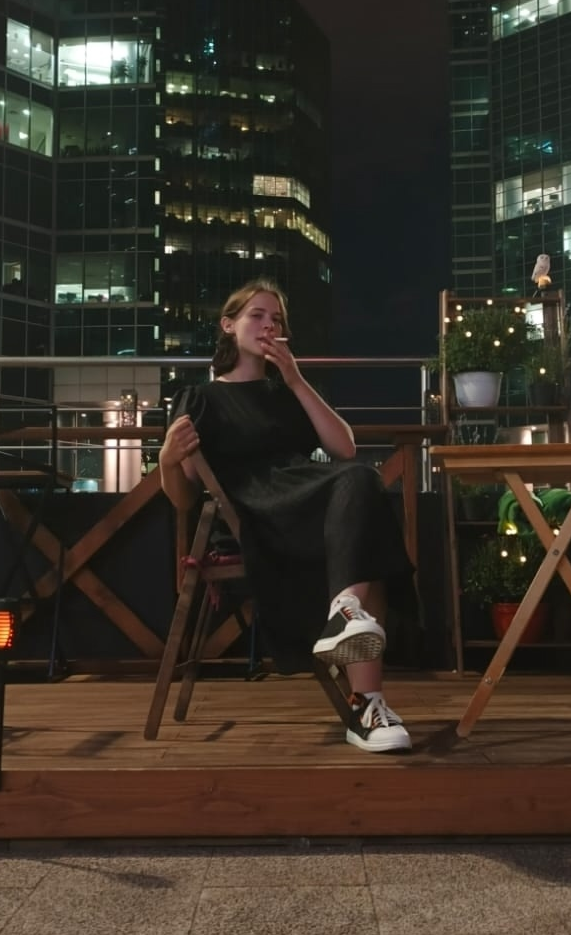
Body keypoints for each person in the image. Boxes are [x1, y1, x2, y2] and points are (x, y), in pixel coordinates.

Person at [158, 281, 417, 752]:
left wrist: (296, 379)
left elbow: (344, 448)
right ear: (228, 325)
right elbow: (183, 498)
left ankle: (350, 628)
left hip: (308, 498)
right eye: (256, 315)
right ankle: (365, 698)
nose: (268, 325)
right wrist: (166, 461)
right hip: (255, 511)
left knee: (362, 488)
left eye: (276, 319)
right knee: (366, 523)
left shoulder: (285, 391)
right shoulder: (200, 398)